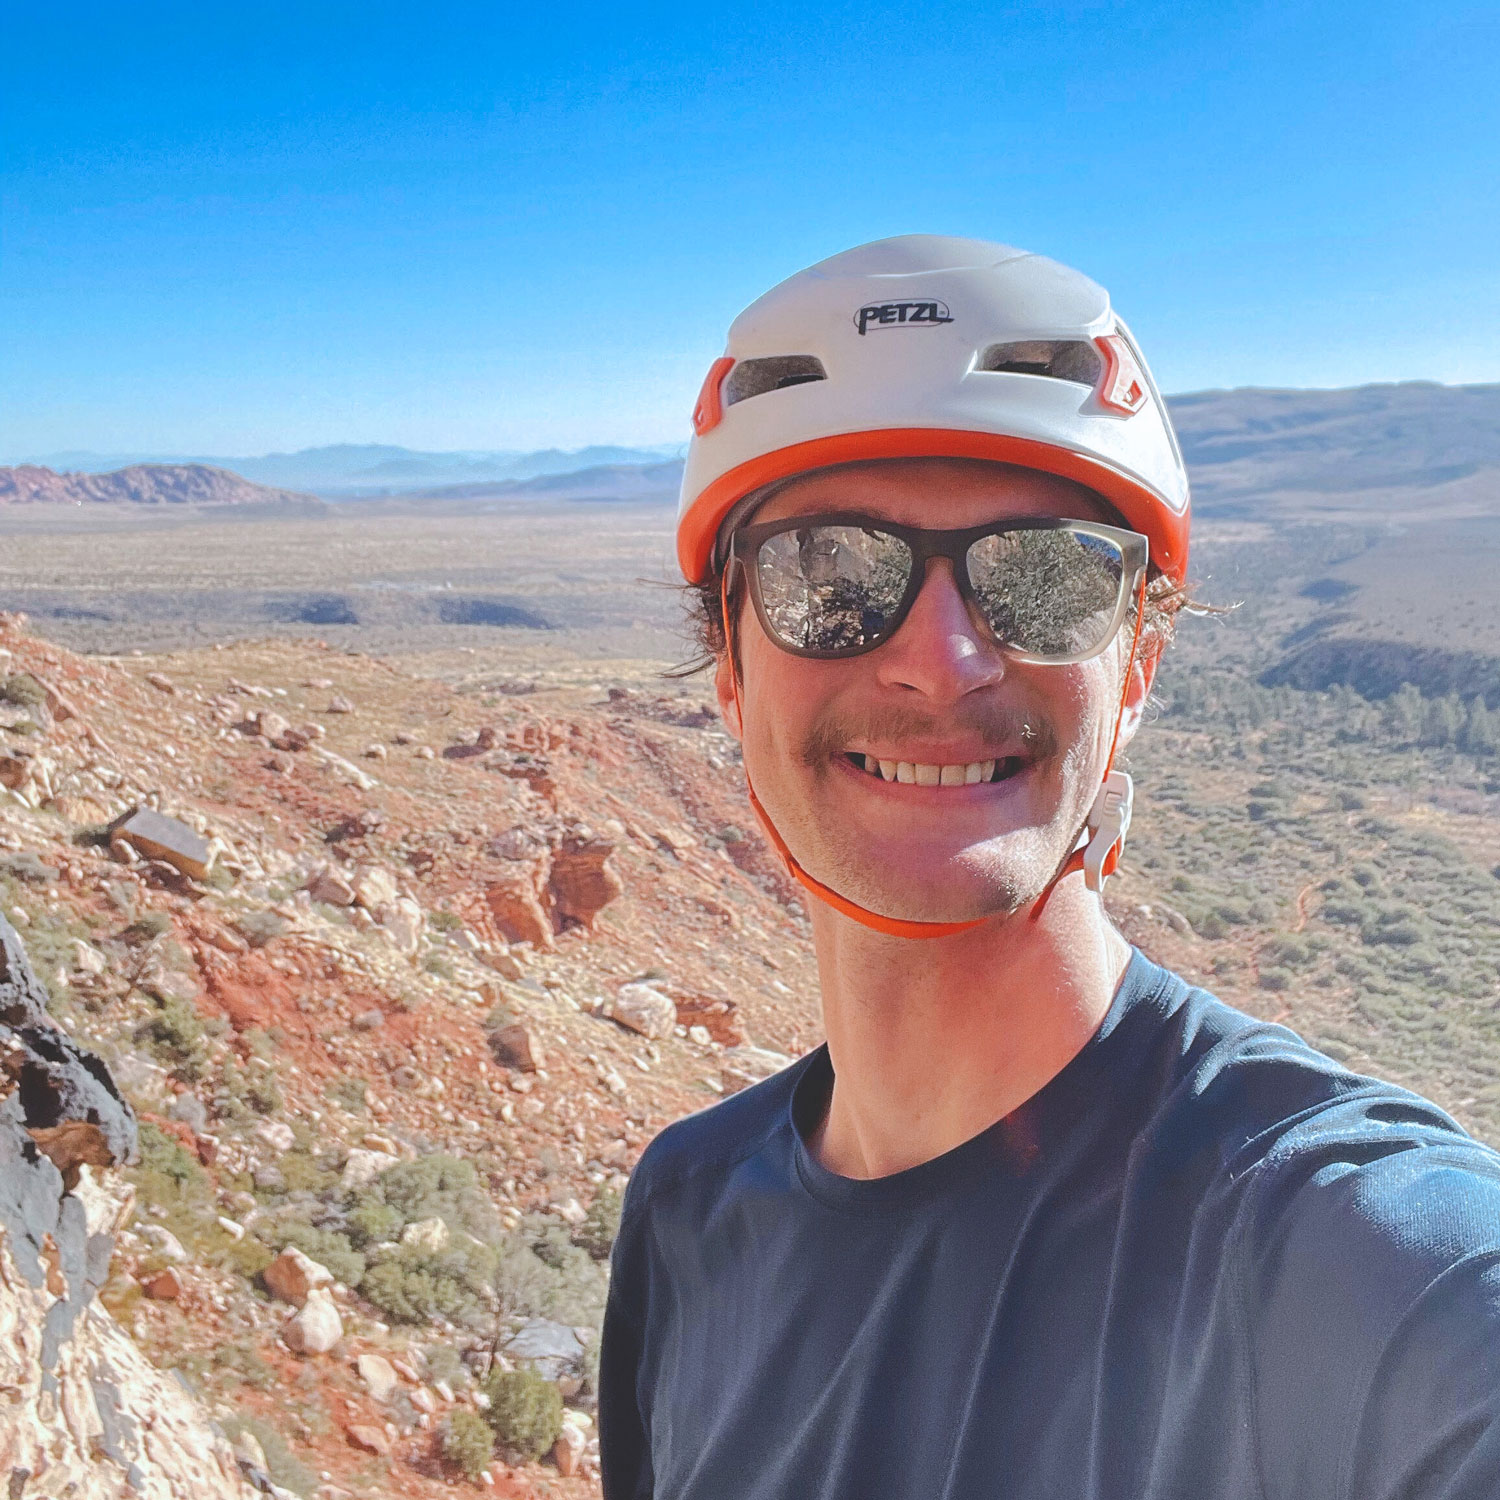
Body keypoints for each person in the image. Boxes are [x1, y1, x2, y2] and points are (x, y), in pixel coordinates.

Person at [597, 236, 1500, 1500]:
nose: (943, 660)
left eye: (1046, 577)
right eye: (830, 575)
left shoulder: (1335, 1246)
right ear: (730, 657)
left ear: (1137, 666)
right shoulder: (689, 1217)